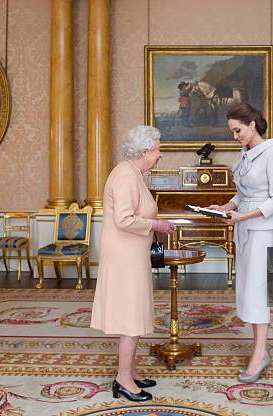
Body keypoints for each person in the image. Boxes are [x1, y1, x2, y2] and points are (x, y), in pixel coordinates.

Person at [90, 125, 175, 401]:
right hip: (124, 257)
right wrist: (156, 224)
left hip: (131, 254)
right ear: (145, 150)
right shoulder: (126, 175)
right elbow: (124, 219)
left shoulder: (134, 173)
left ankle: (130, 371)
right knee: (130, 317)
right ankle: (123, 380)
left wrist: (155, 227)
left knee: (135, 313)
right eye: (158, 148)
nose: (160, 154)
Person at [208, 103, 273, 383]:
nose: (235, 136)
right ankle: (260, 350)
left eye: (237, 130)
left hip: (263, 227)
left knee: (257, 289)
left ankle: (260, 353)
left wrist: (242, 217)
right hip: (244, 225)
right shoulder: (246, 155)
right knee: (248, 289)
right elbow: (242, 194)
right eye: (232, 131)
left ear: (252, 124)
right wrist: (225, 205)